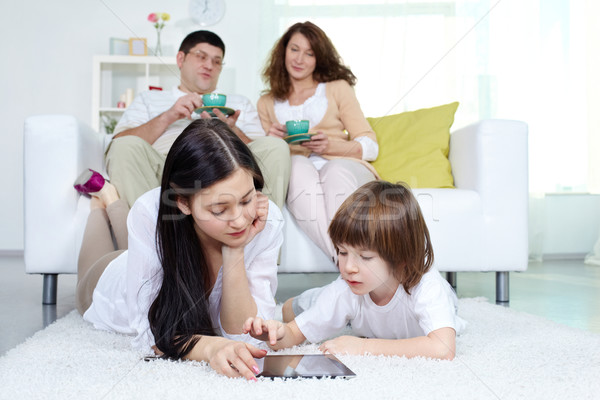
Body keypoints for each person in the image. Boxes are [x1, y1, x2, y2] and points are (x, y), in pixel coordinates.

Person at [76, 119, 283, 380]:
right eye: (219, 209)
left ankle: (110, 198)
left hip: (145, 255)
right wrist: (210, 347)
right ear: (182, 202)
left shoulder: (266, 219)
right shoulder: (149, 211)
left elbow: (245, 334)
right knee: (100, 236)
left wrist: (235, 249)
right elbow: (149, 335)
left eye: (246, 199)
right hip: (104, 280)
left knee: (137, 240)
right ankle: (103, 200)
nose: (241, 221)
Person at [242, 181, 465, 360]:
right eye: (342, 252)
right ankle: (298, 303)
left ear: (402, 259)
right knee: (296, 308)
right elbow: (293, 334)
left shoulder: (426, 286)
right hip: (349, 296)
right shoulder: (347, 286)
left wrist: (363, 346)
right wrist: (276, 334)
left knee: (339, 306)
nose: (348, 268)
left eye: (366, 257)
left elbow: (442, 348)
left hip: (440, 300)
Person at [106, 30, 290, 209]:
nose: (209, 65)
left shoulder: (238, 104)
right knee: (124, 146)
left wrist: (231, 131)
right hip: (166, 170)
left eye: (216, 61)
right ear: (180, 59)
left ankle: (261, 233)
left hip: (228, 171)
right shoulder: (148, 99)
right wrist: (169, 116)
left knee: (276, 146)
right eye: (201, 57)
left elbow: (260, 155)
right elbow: (120, 142)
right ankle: (148, 231)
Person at [257, 21, 379, 261]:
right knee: (296, 166)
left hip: (344, 166)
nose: (300, 59)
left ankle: (345, 262)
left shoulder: (337, 89)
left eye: (309, 53)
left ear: (318, 59)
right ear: (283, 52)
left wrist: (330, 146)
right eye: (294, 49)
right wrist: (271, 142)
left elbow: (370, 146)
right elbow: (264, 159)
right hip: (300, 170)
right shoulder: (267, 103)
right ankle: (348, 262)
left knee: (334, 170)